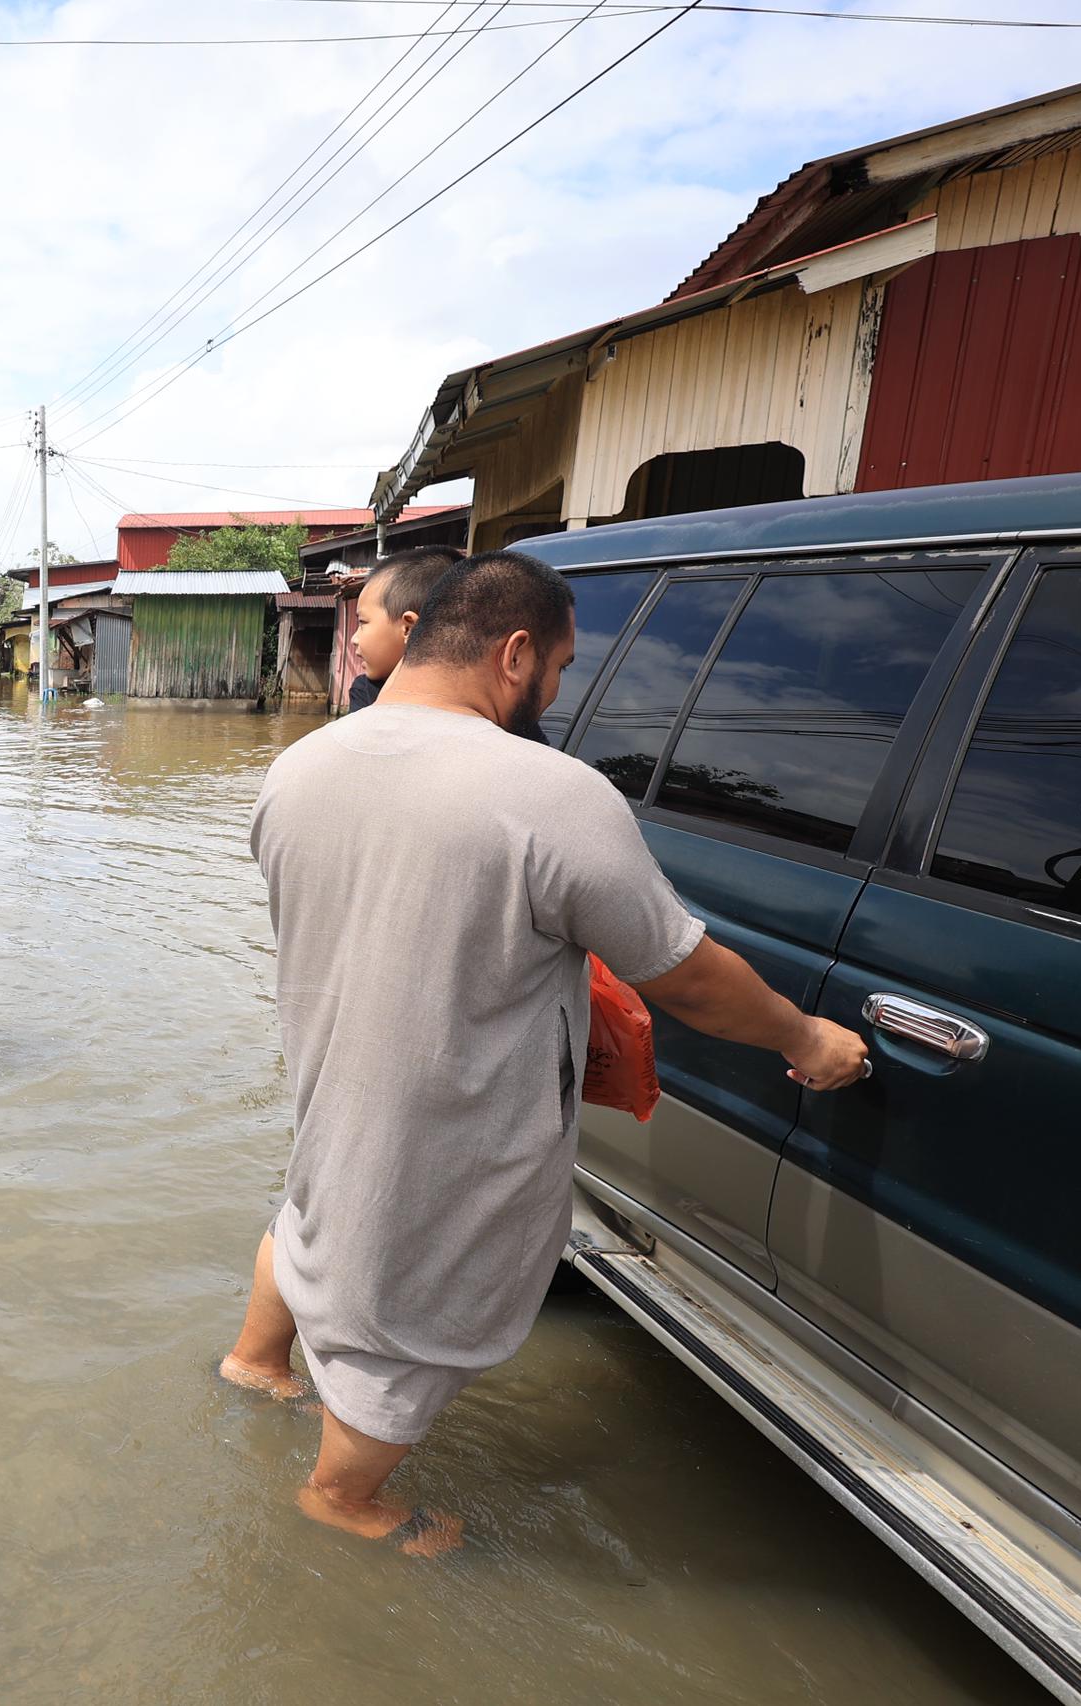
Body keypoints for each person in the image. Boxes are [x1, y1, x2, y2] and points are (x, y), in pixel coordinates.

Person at [220, 550, 868, 1556]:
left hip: (330, 1073)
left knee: (322, 1216)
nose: (559, 689)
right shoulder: (548, 791)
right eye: (561, 667)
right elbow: (685, 973)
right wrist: (807, 1035)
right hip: (451, 1115)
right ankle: (341, 1498)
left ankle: (256, 1364)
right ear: (514, 653)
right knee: (421, 1283)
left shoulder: (299, 764)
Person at [343, 545, 465, 713]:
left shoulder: (369, 695)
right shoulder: (365, 691)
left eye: (363, 622)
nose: (354, 639)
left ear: (409, 628)